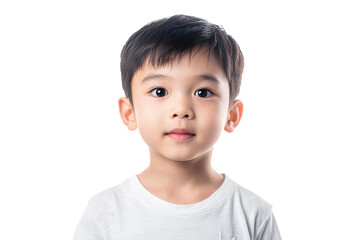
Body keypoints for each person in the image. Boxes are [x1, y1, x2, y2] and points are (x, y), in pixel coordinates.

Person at [74, 14, 282, 240]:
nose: (181, 109)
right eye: (159, 91)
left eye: (203, 92)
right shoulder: (105, 213)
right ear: (129, 113)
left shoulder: (252, 215)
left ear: (231, 115)